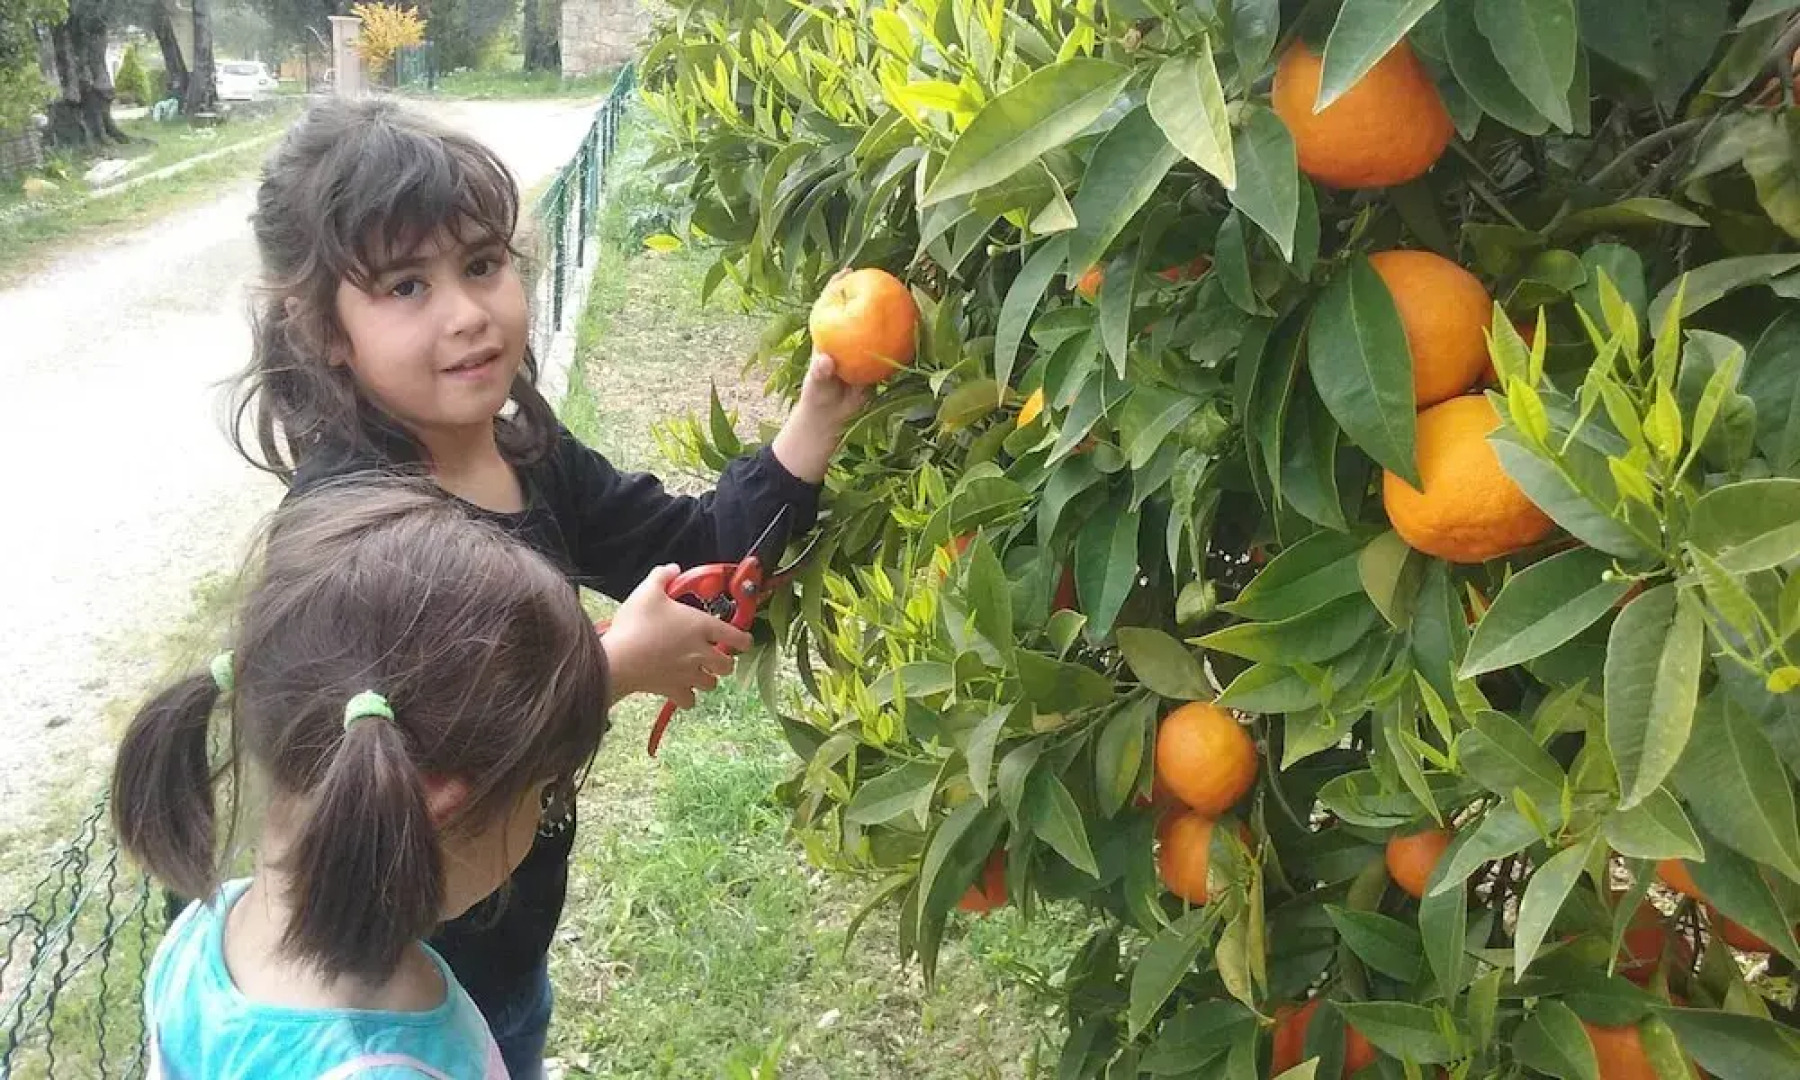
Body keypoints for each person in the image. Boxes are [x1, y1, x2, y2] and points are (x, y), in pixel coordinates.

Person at [225, 97, 864, 1076]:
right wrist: (609, 669)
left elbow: (697, 550)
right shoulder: (347, 532)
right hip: (394, 987)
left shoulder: (525, 455)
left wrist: (817, 416)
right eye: (407, 285)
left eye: (482, 264)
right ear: (326, 332)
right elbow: (409, 765)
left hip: (508, 949)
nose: (466, 312)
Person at [113, 481, 613, 1079]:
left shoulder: (202, 932)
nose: (543, 819)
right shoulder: (393, 1065)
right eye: (547, 795)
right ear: (442, 801)